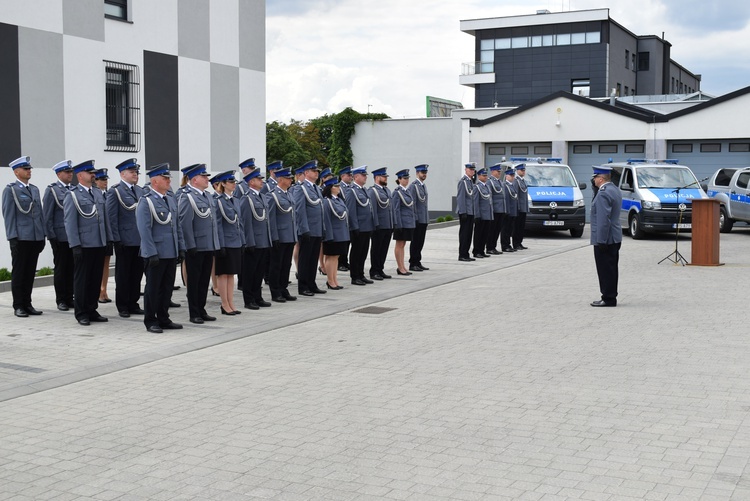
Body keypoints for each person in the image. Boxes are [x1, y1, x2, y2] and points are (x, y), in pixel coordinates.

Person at [136, 163, 184, 333]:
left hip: (170, 251)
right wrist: (150, 252)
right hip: (155, 252)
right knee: (153, 288)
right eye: (165, 178)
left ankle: (163, 317)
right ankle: (150, 320)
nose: (169, 181)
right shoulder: (146, 201)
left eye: (168, 178)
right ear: (155, 181)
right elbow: (144, 230)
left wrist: (180, 248)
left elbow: (176, 226)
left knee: (167, 287)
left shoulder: (170, 199)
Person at [64, 160, 112, 325]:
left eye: (93, 172)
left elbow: (105, 219)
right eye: (89, 172)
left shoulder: (98, 193)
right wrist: (75, 245)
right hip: (84, 244)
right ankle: (81, 312)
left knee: (95, 278)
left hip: (99, 242)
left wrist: (108, 239)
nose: (93, 175)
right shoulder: (73, 195)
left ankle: (92, 309)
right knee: (82, 280)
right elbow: (70, 222)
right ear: (80, 175)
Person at [2, 156, 46, 317]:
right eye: (26, 169)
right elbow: (8, 216)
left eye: (29, 169)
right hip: (21, 238)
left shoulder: (34, 189)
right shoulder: (10, 190)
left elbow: (39, 214)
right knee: (19, 272)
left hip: (34, 237)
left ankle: (28, 303)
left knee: (30, 272)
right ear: (16, 172)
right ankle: (18, 305)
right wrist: (12, 238)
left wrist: (42, 235)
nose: (29, 171)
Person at [177, 163, 220, 324]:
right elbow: (184, 223)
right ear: (195, 179)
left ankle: (201, 309)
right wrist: (190, 245)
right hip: (195, 247)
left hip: (208, 245)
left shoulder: (207, 196)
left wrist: (215, 243)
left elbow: (212, 222)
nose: (206, 179)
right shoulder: (187, 197)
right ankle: (194, 312)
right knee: (194, 281)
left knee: (204, 281)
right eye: (204, 176)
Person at [106, 158, 146, 318]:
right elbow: (111, 217)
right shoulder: (115, 191)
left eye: (136, 172)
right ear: (123, 174)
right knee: (123, 275)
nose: (135, 174)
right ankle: (122, 305)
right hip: (124, 240)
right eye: (132, 172)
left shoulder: (140, 191)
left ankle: (133, 303)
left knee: (137, 274)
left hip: (139, 240)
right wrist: (116, 239)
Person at [43, 160, 75, 311]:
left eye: (71, 172)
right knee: (61, 269)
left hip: (73, 237)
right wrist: (51, 237)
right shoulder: (52, 190)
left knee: (73, 268)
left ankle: (70, 297)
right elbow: (47, 216)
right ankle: (61, 299)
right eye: (67, 172)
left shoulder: (74, 190)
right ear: (58, 174)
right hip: (60, 236)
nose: (70, 174)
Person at [211, 170, 244, 315]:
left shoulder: (235, 200)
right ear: (223, 184)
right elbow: (217, 225)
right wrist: (221, 245)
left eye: (234, 182)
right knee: (223, 274)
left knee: (231, 274)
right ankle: (224, 304)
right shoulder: (218, 201)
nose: (234, 184)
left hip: (235, 241)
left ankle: (231, 302)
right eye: (230, 182)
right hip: (225, 242)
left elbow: (239, 223)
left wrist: (242, 240)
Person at [590, 164, 623, 307]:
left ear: (601, 178)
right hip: (615, 236)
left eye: (595, 177)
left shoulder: (603, 193)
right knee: (611, 268)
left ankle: (608, 298)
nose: (594, 180)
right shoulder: (614, 189)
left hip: (606, 238)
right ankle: (610, 296)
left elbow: (604, 219)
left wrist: (601, 240)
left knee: (605, 270)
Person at [239, 169, 272, 310]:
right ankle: (249, 299)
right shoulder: (246, 199)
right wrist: (249, 241)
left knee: (259, 271)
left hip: (263, 240)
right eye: (259, 179)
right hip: (254, 242)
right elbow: (246, 222)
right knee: (250, 272)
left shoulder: (262, 197)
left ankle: (257, 296)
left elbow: (265, 221)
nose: (262, 181)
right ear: (251, 182)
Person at [293, 160, 327, 296]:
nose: (316, 173)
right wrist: (304, 228)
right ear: (306, 173)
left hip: (317, 229)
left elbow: (320, 210)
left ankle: (311, 283)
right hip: (307, 230)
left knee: (313, 259)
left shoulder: (316, 188)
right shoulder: (300, 188)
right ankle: (303, 286)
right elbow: (300, 210)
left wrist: (322, 228)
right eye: (314, 171)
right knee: (305, 259)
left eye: (317, 171)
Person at [266, 167, 297, 303]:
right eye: (288, 178)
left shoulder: (289, 194)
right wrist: (274, 236)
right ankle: (275, 291)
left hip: (289, 235)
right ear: (281, 179)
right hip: (279, 236)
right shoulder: (272, 195)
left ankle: (284, 288)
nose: (291, 180)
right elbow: (271, 218)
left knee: (286, 264)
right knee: (276, 265)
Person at [345, 165, 376, 285]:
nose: (365, 177)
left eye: (365, 175)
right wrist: (354, 226)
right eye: (363, 175)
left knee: (363, 252)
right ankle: (355, 276)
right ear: (356, 177)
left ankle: (361, 274)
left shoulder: (363, 190)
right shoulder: (351, 191)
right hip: (359, 227)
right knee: (356, 252)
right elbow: (351, 210)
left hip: (366, 227)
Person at [321, 177, 349, 289]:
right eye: (336, 186)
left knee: (336, 257)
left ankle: (334, 279)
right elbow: (326, 220)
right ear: (330, 188)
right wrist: (328, 235)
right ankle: (330, 280)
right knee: (330, 257)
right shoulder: (327, 202)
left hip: (341, 233)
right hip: (333, 234)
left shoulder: (339, 200)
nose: (338, 188)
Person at [368, 167, 394, 280]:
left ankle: (380, 269)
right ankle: (374, 270)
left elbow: (390, 208)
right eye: (384, 177)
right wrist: (375, 224)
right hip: (379, 226)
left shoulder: (387, 190)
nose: (385, 178)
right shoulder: (372, 191)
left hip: (388, 224)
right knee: (376, 249)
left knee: (384, 248)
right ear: (377, 177)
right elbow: (373, 209)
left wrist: (393, 223)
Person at [93, 168, 113, 304]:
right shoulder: (94, 195)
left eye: (106, 179)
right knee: (98, 264)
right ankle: (99, 291)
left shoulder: (108, 195)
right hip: (97, 236)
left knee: (106, 263)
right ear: (95, 181)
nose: (105, 182)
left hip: (107, 234)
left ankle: (104, 289)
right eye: (102, 179)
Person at [392, 169, 416, 276]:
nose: (406, 180)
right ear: (399, 179)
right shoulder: (397, 192)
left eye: (407, 178)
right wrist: (397, 224)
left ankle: (403, 266)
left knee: (403, 244)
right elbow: (396, 209)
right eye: (404, 178)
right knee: (399, 244)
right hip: (401, 222)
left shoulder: (407, 191)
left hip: (408, 222)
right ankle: (400, 267)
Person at [408, 164, 429, 272]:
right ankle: (413, 262)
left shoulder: (423, 186)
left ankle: (418, 261)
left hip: (423, 218)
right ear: (417, 173)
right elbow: (412, 204)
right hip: (417, 219)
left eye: (425, 173)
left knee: (421, 241)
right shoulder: (413, 186)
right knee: (415, 241)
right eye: (422, 173)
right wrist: (415, 218)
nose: (424, 174)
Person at [472, 167, 493, 259]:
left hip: (487, 214)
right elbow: (475, 202)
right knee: (478, 234)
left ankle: (482, 250)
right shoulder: (477, 187)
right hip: (481, 215)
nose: (485, 177)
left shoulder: (487, 186)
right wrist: (477, 215)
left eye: (486, 175)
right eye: (483, 175)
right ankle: (476, 251)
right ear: (479, 176)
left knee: (485, 234)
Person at [457, 162, 476, 261]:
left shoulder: (470, 181)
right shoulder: (463, 181)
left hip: (470, 211)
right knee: (464, 234)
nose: (472, 171)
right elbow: (461, 198)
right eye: (470, 169)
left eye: (473, 170)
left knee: (469, 234)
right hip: (465, 212)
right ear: (466, 170)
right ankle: (462, 254)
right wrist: (463, 211)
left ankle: (466, 253)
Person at [486, 163, 507, 255]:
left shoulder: (500, 182)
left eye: (500, 172)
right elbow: (489, 196)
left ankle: (493, 246)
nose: (499, 173)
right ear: (493, 172)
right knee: (491, 230)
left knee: (497, 229)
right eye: (498, 172)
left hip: (501, 209)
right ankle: (489, 247)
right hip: (494, 209)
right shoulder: (489, 181)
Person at [337, 165, 353, 272]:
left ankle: (345, 261)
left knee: (348, 242)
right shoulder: (339, 187)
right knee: (343, 242)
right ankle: (340, 263)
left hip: (350, 218)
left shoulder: (350, 187)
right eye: (349, 175)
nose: (351, 177)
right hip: (343, 218)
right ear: (342, 176)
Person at [501, 166, 518, 253]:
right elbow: (506, 199)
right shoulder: (505, 186)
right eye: (511, 175)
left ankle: (508, 244)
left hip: (513, 211)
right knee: (505, 229)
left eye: (513, 175)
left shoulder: (512, 186)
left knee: (510, 229)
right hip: (508, 211)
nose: (512, 177)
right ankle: (505, 245)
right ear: (506, 176)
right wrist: (506, 211)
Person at [512, 163, 529, 250]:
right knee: (517, 226)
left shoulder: (522, 181)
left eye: (524, 170)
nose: (523, 172)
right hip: (519, 208)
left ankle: (520, 242)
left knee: (521, 226)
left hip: (523, 207)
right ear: (517, 171)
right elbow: (516, 195)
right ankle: (516, 243)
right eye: (522, 170)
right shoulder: (516, 181)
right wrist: (517, 207)